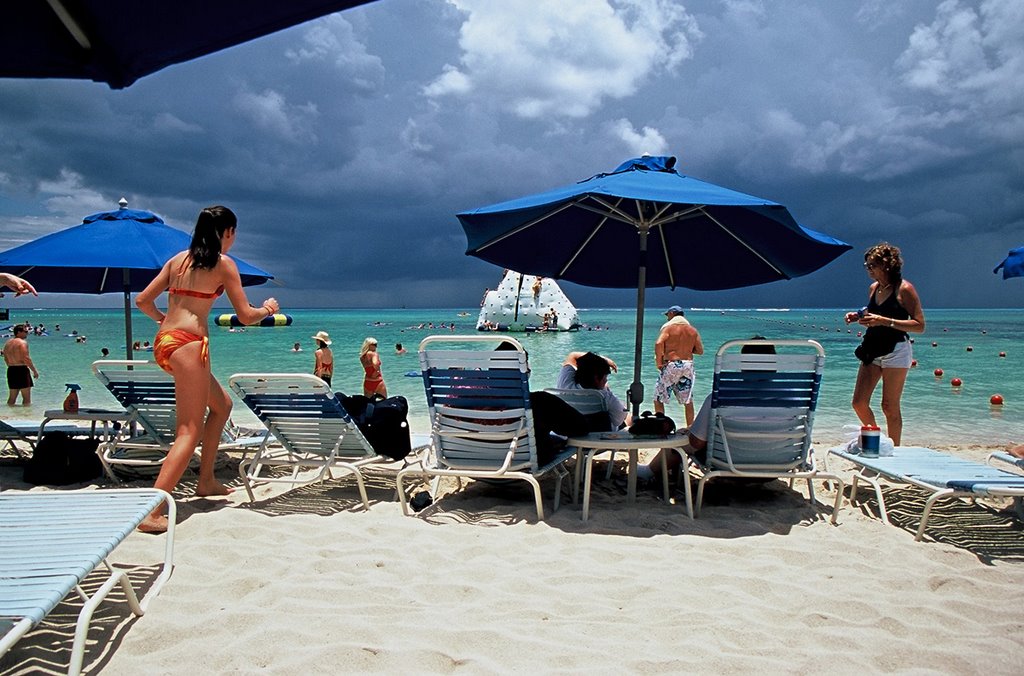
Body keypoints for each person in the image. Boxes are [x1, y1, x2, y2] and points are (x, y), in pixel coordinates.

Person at [135, 205, 280, 533]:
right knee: (188, 431)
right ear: (226, 232)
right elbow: (245, 316)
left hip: (166, 341)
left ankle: (207, 481)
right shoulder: (224, 265)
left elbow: (143, 300)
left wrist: (165, 323)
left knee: (222, 405)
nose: (234, 239)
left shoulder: (177, 260)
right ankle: (152, 510)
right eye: (234, 232)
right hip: (189, 345)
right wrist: (267, 309)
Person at [643, 337, 775, 481]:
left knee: (680, 438)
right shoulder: (794, 399)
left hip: (729, 464)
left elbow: (696, 443)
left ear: (742, 364)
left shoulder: (719, 398)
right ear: (774, 364)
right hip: (776, 466)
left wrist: (686, 433)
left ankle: (649, 471)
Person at [844, 242, 925, 446]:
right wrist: (858, 316)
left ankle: (895, 451)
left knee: (889, 406)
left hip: (896, 350)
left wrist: (885, 321)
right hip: (872, 348)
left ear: (887, 265)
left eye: (872, 265)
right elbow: (873, 313)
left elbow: (919, 325)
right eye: (867, 265)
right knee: (859, 403)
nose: (869, 269)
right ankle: (880, 441)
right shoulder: (874, 288)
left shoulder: (905, 289)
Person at [653, 305, 704, 426]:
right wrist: (685, 349)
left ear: (672, 313)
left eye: (667, 315)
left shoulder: (669, 328)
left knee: (658, 398)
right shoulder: (692, 330)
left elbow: (658, 343)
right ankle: (690, 428)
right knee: (687, 400)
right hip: (687, 365)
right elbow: (700, 351)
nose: (667, 318)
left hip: (672, 365)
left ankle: (661, 427)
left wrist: (659, 362)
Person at [556, 351, 630, 430]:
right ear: (596, 378)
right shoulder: (604, 397)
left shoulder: (565, 385)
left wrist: (603, 360)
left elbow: (572, 356)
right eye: (605, 378)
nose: (606, 381)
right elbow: (618, 421)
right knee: (629, 417)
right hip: (600, 437)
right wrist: (607, 390)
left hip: (573, 432)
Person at [3, 324, 39, 405]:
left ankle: (9, 415)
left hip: (11, 370)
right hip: (21, 370)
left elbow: (5, 358)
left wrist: (12, 365)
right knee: (26, 399)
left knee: (12, 398)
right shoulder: (22, 343)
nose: (27, 333)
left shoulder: (7, 343)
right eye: (25, 331)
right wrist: (34, 371)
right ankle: (26, 416)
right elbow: (26, 358)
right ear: (19, 332)